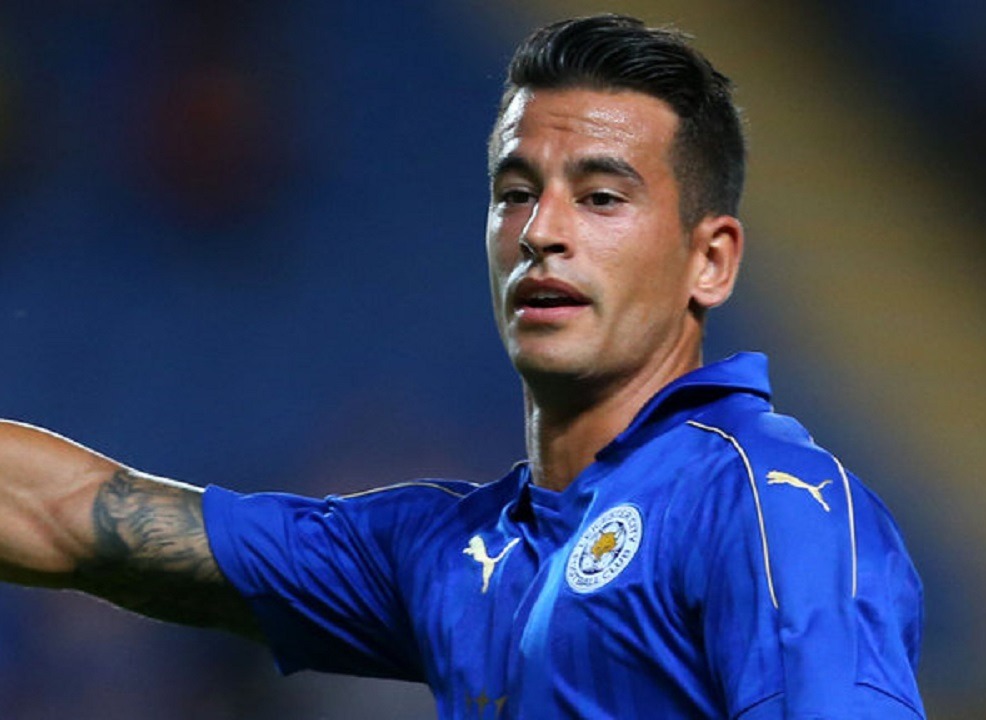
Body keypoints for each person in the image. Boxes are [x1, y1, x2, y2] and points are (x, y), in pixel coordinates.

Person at [0, 14, 925, 719]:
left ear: (710, 261)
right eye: (516, 193)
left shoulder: (767, 505)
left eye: (601, 197)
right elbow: (73, 520)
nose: (542, 230)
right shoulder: (446, 554)